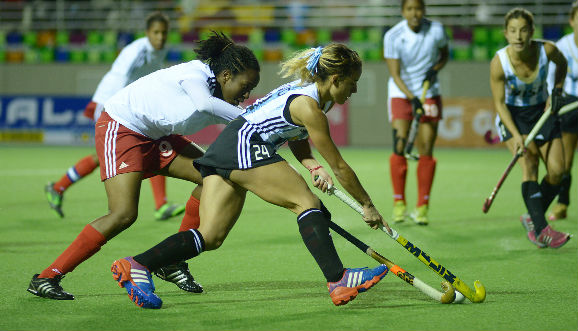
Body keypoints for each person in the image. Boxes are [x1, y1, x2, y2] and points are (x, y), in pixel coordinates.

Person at [109, 44, 391, 309]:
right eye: (353, 81)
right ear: (336, 79)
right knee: (307, 203)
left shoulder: (312, 97)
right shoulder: (310, 106)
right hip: (245, 144)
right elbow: (340, 167)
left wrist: (312, 165)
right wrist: (367, 204)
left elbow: (295, 134)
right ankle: (338, 279)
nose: (354, 89)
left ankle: (137, 265)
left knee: (211, 235)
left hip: (226, 148)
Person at [27, 31, 261, 300]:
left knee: (211, 175)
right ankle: (47, 277)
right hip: (122, 127)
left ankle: (172, 262)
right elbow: (204, 104)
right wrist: (253, 117)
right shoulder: (196, 75)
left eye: (252, 89)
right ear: (227, 75)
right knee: (123, 214)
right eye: (246, 85)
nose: (247, 93)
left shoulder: (217, 87)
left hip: (156, 135)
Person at [44, 12, 185, 221]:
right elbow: (119, 77)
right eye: (156, 33)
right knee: (108, 156)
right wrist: (113, 110)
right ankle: (58, 187)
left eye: (164, 33)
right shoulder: (136, 50)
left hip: (127, 107)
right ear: (147, 33)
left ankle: (161, 205)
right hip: (109, 104)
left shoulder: (160, 50)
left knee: (148, 145)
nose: (161, 37)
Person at [490, 7, 571, 248]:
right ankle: (541, 229)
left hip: (542, 112)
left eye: (523, 30)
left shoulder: (547, 50)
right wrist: (515, 136)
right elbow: (499, 104)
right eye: (513, 31)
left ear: (532, 32)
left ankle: (532, 216)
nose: (518, 36)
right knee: (531, 164)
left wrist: (557, 90)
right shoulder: (499, 62)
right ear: (506, 33)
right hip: (514, 116)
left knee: (558, 172)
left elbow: (562, 65)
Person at [383, 0, 449, 225]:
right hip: (402, 94)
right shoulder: (393, 36)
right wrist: (412, 99)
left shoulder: (437, 30)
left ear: (424, 10)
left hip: (429, 93)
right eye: (410, 9)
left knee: (426, 149)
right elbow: (395, 74)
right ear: (403, 11)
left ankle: (422, 206)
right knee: (400, 147)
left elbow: (444, 55)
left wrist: (435, 69)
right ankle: (399, 203)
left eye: (418, 8)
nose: (415, 13)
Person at [546, 1, 578, 221]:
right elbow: (551, 78)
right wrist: (553, 98)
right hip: (569, 105)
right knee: (565, 162)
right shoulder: (563, 47)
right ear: (571, 21)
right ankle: (562, 203)